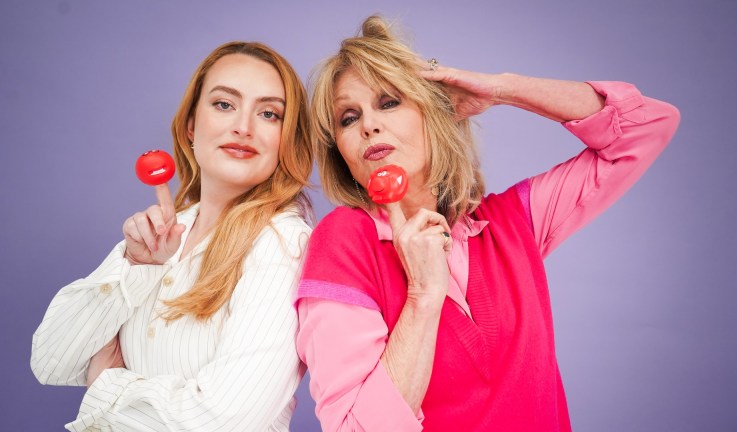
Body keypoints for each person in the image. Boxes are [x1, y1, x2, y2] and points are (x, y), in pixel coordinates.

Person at [295, 15, 680, 432]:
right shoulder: (343, 242)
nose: (369, 124)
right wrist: (423, 296)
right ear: (341, 151)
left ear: (433, 114)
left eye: (389, 102)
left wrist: (503, 90)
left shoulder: (515, 222)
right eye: (348, 118)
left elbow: (647, 126)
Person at [31, 41, 313, 431]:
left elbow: (224, 421)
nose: (243, 127)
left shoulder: (284, 245)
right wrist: (135, 266)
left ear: (287, 139)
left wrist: (107, 386)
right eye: (224, 104)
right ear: (190, 126)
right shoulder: (161, 236)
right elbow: (51, 360)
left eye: (269, 113)